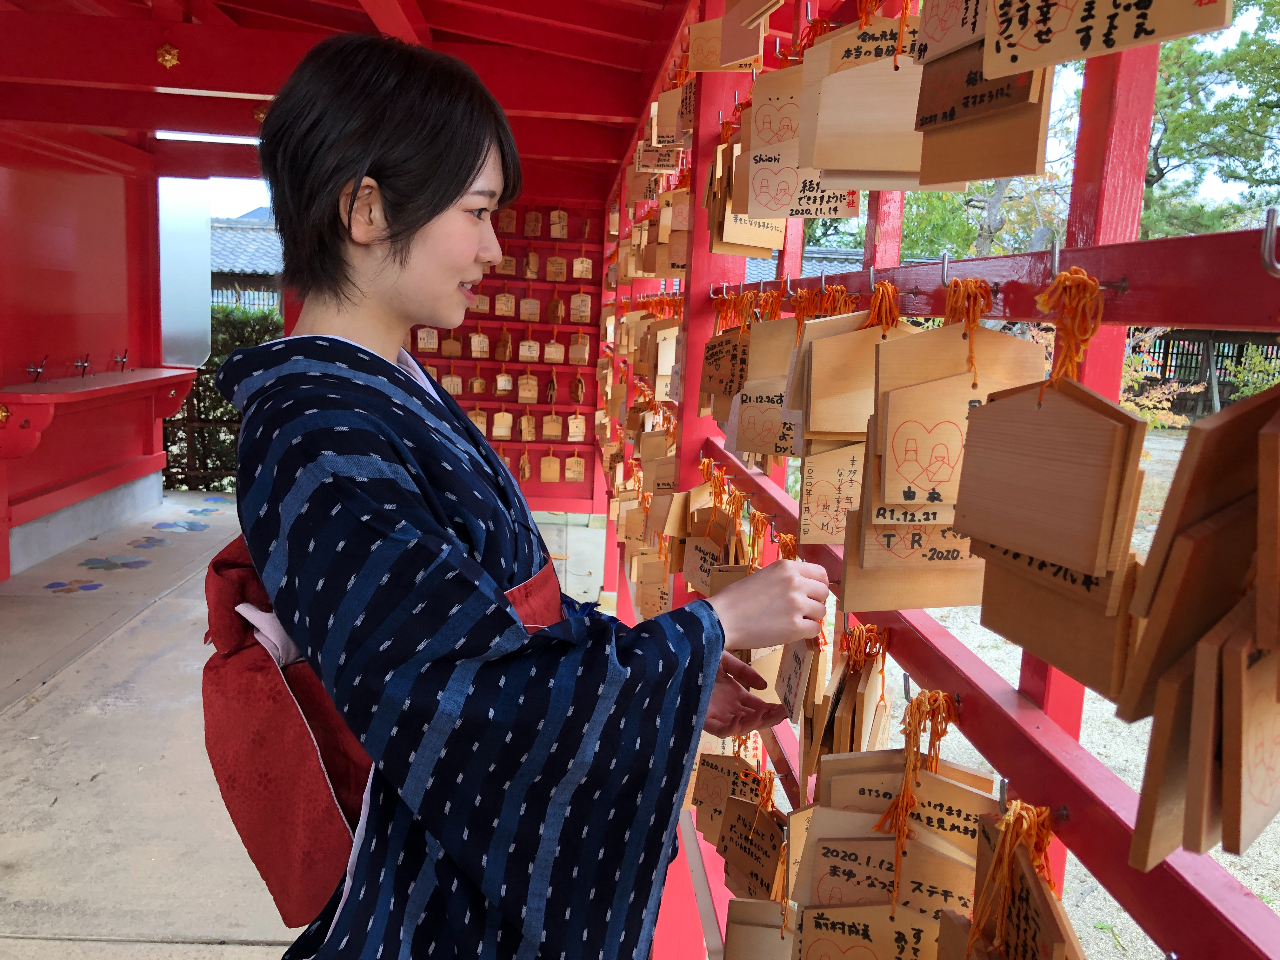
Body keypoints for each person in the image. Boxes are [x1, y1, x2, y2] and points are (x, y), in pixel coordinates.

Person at [214, 32, 831, 960]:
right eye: (477, 211)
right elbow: (466, 694)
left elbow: (492, 621)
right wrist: (709, 630)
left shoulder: (376, 389)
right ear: (368, 210)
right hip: (434, 894)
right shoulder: (317, 431)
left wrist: (661, 675)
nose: (496, 248)